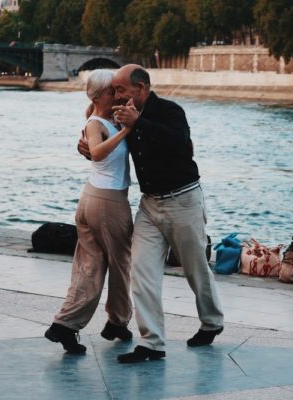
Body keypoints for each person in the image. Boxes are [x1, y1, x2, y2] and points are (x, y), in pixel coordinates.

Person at [79, 64, 224, 363]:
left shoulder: (170, 112)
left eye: (120, 89)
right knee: (141, 271)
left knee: (195, 268)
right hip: (149, 205)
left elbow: (184, 147)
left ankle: (211, 322)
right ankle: (152, 343)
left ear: (141, 89)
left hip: (183, 201)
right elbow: (103, 142)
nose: (115, 95)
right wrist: (86, 147)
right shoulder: (122, 117)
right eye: (114, 91)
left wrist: (139, 123)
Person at [46, 69, 134, 354]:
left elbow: (92, 142)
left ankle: (65, 326)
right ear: (100, 96)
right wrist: (125, 132)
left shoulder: (100, 119)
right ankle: (117, 322)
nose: (118, 95)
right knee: (120, 264)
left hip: (91, 199)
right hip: (108, 201)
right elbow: (96, 153)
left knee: (89, 266)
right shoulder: (99, 124)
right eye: (113, 92)